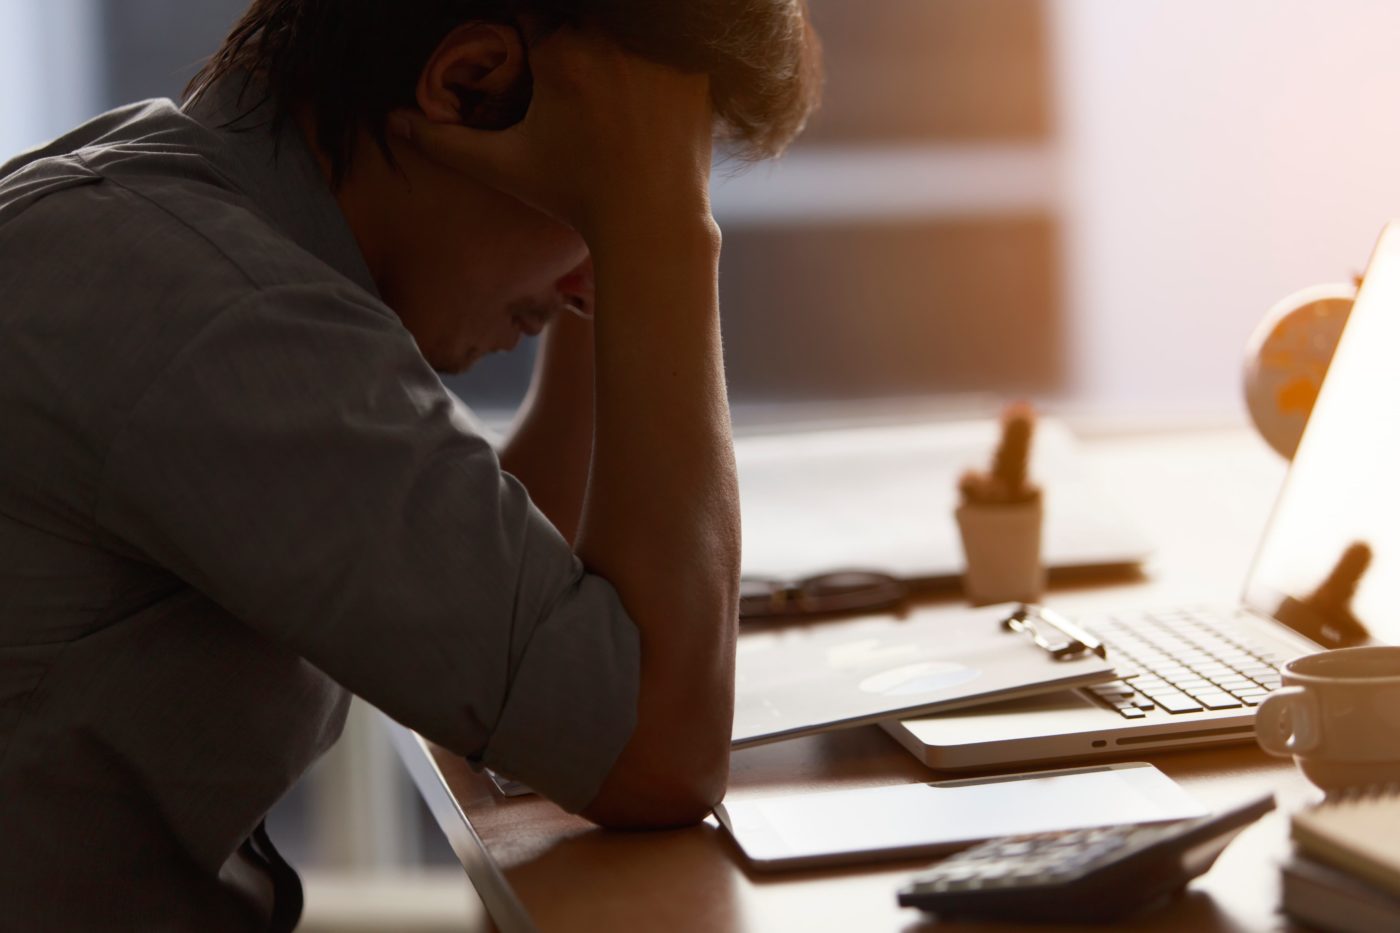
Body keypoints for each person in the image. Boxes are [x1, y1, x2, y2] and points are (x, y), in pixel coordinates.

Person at [0, 0, 820, 929]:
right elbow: (651, 749)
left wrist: (625, 234)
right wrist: (662, 233)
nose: (593, 282)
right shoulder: (220, 311)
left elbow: (525, 616)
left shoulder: (168, 216)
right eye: (614, 188)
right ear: (469, 84)